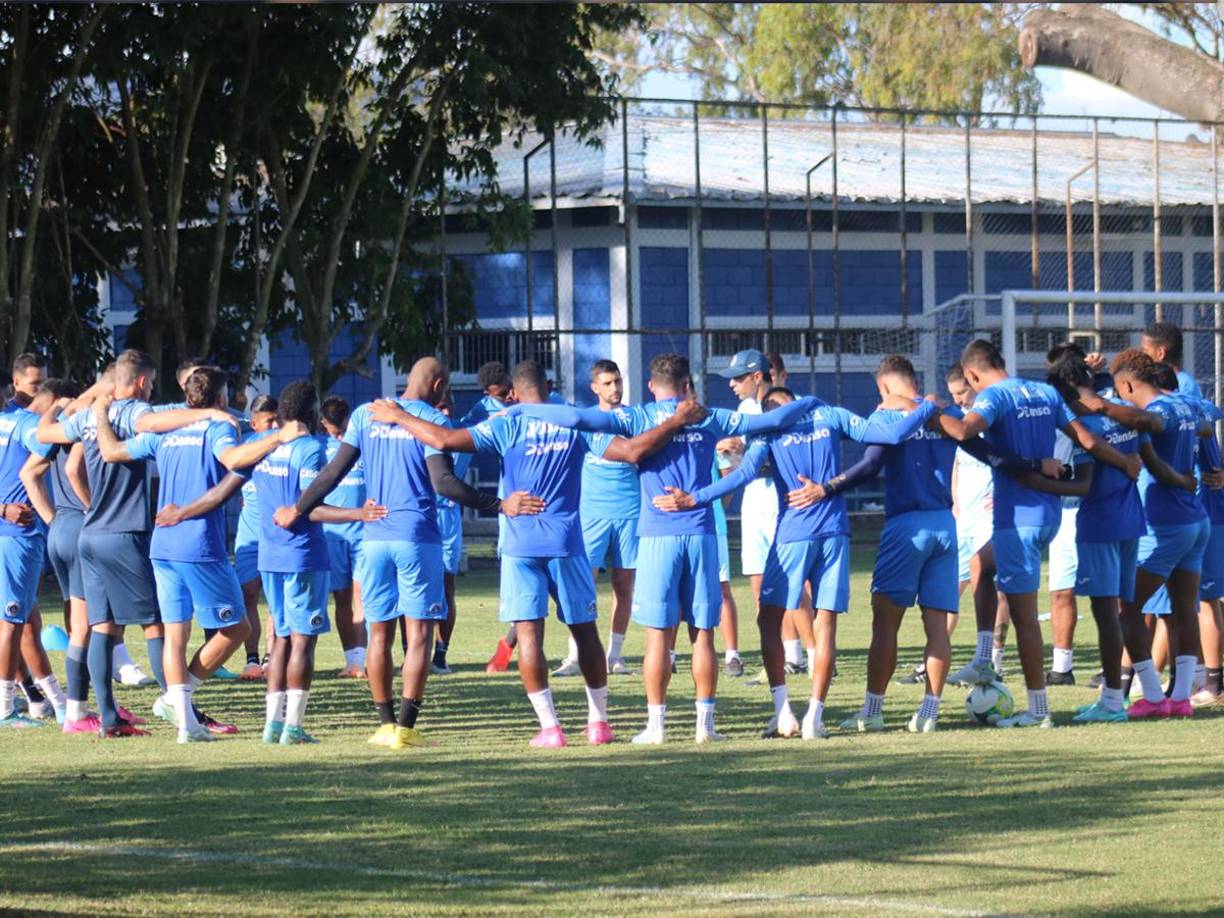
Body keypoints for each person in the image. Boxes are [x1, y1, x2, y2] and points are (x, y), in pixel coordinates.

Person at [378, 359, 700, 746]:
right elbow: (632, 452)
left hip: (521, 545)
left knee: (529, 637)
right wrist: (675, 421)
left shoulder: (508, 422)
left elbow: (444, 441)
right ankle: (598, 724)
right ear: (549, 386)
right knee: (585, 633)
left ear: (513, 392)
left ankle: (551, 729)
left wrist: (399, 415)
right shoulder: (574, 421)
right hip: (567, 542)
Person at [514, 353, 825, 744]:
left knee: (658, 637)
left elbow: (577, 420)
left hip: (657, 534)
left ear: (650, 384)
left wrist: (522, 409)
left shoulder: (639, 418)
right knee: (703, 636)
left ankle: (657, 727)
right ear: (686, 384)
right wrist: (813, 402)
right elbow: (774, 420)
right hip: (700, 532)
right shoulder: (708, 416)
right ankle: (705, 728)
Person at [656, 382, 939, 739]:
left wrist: (695, 499)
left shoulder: (772, 429)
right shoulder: (831, 414)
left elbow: (742, 476)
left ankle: (784, 711)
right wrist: (928, 407)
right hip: (835, 532)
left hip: (794, 534)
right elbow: (892, 434)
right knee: (826, 625)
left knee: (769, 619)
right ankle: (813, 719)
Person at [291, 357, 523, 750]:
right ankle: (407, 726)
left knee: (378, 633)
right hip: (417, 538)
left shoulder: (366, 414)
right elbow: (444, 482)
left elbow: (331, 473)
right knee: (419, 636)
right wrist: (498, 504)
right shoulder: (431, 421)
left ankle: (383, 725)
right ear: (437, 386)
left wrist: (297, 509)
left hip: (375, 538)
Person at [932, 340, 1141, 727]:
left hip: (1018, 518)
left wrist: (929, 411)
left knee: (1025, 618)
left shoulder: (993, 398)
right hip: (1050, 516)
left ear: (973, 375)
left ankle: (1038, 710)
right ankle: (983, 657)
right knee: (981, 563)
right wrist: (1125, 461)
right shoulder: (1044, 391)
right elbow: (1089, 440)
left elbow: (963, 431)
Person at [37, 349, 240, 737]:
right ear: (144, 383)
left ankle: (107, 719)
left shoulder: (87, 416)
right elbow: (154, 420)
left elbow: (44, 435)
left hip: (89, 533)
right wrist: (209, 413)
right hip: (124, 534)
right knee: (155, 625)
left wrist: (61, 405)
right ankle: (183, 711)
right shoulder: (132, 413)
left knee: (103, 627)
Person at [93, 368, 257, 743]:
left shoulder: (164, 432)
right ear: (219, 398)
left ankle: (187, 725)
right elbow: (232, 457)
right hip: (199, 545)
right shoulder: (218, 428)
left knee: (175, 636)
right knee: (238, 628)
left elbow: (112, 451)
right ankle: (175, 697)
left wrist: (101, 413)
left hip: (162, 546)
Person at [1077, 350, 1211, 718]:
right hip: (1196, 521)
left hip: (1165, 523)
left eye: (1121, 391)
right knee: (1185, 610)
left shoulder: (1160, 412)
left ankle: (1153, 696)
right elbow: (1208, 424)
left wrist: (1101, 407)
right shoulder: (1185, 403)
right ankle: (1181, 698)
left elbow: (1146, 419)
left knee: (1127, 608)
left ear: (1128, 384)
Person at [1045, 354, 1149, 722]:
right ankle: (1148, 691)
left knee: (1105, 613)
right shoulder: (1121, 410)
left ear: (1067, 392)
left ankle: (1111, 702)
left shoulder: (1082, 425)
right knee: (1126, 609)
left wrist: (1041, 482)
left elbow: (1086, 485)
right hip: (1131, 519)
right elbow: (1140, 455)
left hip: (1100, 524)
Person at [556, 359, 639, 678]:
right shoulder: (585, 421)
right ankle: (575, 655)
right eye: (607, 383)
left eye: (617, 381)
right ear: (595, 388)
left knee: (624, 585)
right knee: (582, 584)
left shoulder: (635, 418)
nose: (615, 388)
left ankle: (615, 655)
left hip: (630, 511)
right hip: (592, 513)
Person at [0, 358, 69, 728]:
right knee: (11, 623)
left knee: (27, 622)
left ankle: (52, 703)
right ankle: (5, 710)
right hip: (16, 537)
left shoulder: (11, 420)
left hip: (12, 535)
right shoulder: (27, 425)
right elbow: (52, 438)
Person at [714, 348, 782, 676]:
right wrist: (728, 454)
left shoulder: (779, 405)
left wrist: (752, 455)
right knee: (758, 586)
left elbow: (784, 461)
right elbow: (743, 467)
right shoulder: (744, 409)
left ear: (757, 376)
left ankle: (803, 654)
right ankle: (776, 660)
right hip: (752, 504)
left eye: (739, 378)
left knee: (792, 586)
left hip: (780, 504)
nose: (732, 384)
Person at [319, 395, 368, 679]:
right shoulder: (319, 448)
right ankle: (351, 659)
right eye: (332, 430)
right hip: (332, 534)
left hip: (363, 535)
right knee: (342, 598)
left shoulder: (361, 446)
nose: (338, 436)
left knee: (363, 597)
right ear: (323, 424)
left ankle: (364, 660)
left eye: (342, 429)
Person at [232, 394, 279, 680]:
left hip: (277, 534)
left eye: (277, 420)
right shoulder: (244, 448)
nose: (274, 426)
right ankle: (251, 660)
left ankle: (271, 657)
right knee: (248, 593)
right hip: (249, 533)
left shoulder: (286, 447)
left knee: (275, 597)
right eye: (268, 421)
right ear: (254, 423)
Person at [1142, 321, 1201, 397]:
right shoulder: (1152, 382)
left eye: (1145, 351)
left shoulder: (1185, 386)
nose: (1142, 355)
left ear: (1161, 353)